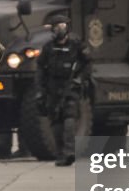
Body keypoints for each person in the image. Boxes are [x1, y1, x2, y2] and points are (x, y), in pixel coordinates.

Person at [35, 15, 92, 166]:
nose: (60, 30)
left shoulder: (76, 45)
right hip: (53, 89)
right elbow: (40, 70)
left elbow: (87, 65)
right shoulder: (48, 48)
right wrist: (40, 91)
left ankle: (69, 152)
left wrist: (80, 79)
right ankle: (60, 154)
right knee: (56, 123)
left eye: (63, 26)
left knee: (69, 119)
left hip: (71, 86)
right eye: (57, 27)